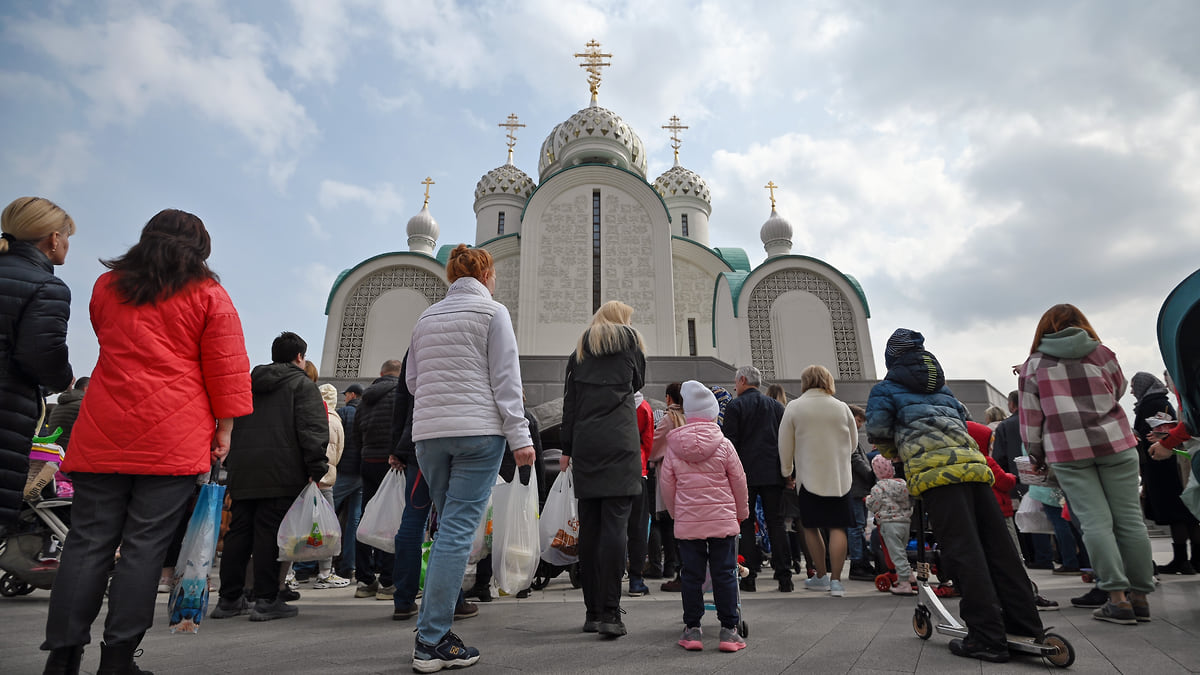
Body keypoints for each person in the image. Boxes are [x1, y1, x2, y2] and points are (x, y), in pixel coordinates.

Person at [40, 208, 251, 674]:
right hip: (171, 437)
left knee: (87, 543)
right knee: (143, 548)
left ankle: (62, 657)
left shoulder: (106, 287)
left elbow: (105, 336)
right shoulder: (210, 295)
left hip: (104, 429)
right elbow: (226, 367)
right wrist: (225, 428)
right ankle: (117, 659)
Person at [867, 328, 1043, 663]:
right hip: (976, 471)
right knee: (999, 548)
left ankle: (987, 635)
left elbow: (877, 431)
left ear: (892, 359)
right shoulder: (944, 389)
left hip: (937, 477)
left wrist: (897, 453)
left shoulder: (885, 390)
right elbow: (963, 422)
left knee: (964, 551)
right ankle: (1025, 623)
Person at [406, 244, 534, 672]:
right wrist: (520, 437)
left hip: (429, 436)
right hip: (478, 432)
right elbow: (505, 379)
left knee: (448, 532)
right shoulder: (493, 312)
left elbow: (412, 381)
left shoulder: (426, 317)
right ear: (487, 275)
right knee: (457, 533)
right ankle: (431, 640)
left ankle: (432, 628)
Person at [1019, 305, 1154, 625]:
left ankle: (1117, 599)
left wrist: (1036, 454)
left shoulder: (1034, 364)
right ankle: (1140, 596)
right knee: (1131, 520)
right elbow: (1117, 390)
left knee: (1094, 521)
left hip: (1069, 451)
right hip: (1116, 443)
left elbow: (1031, 417)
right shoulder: (1103, 353)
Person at [212, 331, 328, 623]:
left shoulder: (248, 384)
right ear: (300, 356)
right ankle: (266, 599)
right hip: (282, 471)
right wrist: (317, 468)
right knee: (268, 534)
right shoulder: (302, 385)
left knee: (239, 533)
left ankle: (229, 599)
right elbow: (312, 430)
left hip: (243, 470)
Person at [560, 300, 646, 639]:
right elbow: (638, 383)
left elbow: (570, 405)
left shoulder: (580, 351)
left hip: (587, 445)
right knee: (616, 528)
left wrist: (567, 449)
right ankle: (612, 612)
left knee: (590, 528)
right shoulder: (632, 344)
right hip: (621, 445)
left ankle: (593, 612)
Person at [0, 197, 74, 531]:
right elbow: (41, 354)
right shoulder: (47, 285)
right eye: (67, 237)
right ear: (53, 239)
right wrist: (64, 378)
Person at [660, 380, 749, 653]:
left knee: (691, 575)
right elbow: (739, 482)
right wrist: (741, 512)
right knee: (724, 573)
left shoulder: (674, 445)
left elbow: (667, 485)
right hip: (722, 520)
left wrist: (678, 515)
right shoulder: (724, 445)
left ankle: (692, 630)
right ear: (712, 413)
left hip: (688, 521)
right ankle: (728, 630)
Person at [778, 364, 858, 597]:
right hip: (839, 477)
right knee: (837, 527)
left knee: (810, 526)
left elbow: (784, 444)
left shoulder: (794, 407)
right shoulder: (842, 407)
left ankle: (821, 575)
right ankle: (836, 581)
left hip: (809, 477)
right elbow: (853, 445)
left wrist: (787, 472)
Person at [722, 365, 790, 592]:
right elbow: (786, 442)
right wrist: (789, 472)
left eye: (736, 382)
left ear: (742, 380)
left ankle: (748, 577)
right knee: (777, 523)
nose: (734, 386)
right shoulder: (776, 406)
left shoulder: (735, 406)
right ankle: (784, 577)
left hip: (745, 474)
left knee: (746, 523)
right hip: (773, 473)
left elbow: (730, 444)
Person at [1131, 372, 1198, 574]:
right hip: (1177, 463)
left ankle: (1181, 560)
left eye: (1134, 386)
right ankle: (1195, 559)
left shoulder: (1151, 404)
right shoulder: (1165, 402)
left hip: (1163, 465)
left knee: (1175, 513)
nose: (1132, 391)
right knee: (1189, 514)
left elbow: (1159, 434)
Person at [353, 359, 402, 600]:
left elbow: (356, 432)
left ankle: (364, 580)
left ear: (381, 373)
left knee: (366, 517)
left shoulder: (365, 398)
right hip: (394, 464)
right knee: (393, 518)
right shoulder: (401, 394)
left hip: (368, 461)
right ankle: (388, 581)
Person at [649, 382, 686, 591]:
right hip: (690, 479)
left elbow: (654, 448)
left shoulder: (668, 419)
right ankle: (681, 569)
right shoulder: (691, 416)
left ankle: (680, 572)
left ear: (669, 398)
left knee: (671, 524)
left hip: (671, 478)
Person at [314, 383, 351, 588]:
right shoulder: (336, 420)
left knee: (297, 525)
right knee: (328, 528)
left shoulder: (309, 414)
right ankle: (325, 572)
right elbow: (339, 452)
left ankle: (288, 572)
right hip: (327, 480)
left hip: (306, 479)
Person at [865, 454, 913, 594]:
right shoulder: (903, 484)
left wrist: (868, 499)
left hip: (889, 524)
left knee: (895, 554)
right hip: (905, 522)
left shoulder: (879, 487)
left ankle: (904, 583)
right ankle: (909, 575)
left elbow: (874, 505)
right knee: (901, 551)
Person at [332, 383, 364, 580]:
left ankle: (310, 563)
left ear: (352, 395)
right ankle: (349, 565)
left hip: (344, 472)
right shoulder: (368, 412)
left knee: (326, 513)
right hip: (362, 473)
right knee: (354, 520)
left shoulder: (343, 413)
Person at [626, 391, 654, 597]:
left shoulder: (609, 402)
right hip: (638, 470)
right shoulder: (643, 407)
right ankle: (636, 579)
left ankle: (611, 574)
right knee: (638, 528)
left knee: (613, 526)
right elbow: (648, 441)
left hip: (610, 472)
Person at [846, 404, 876, 581]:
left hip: (857, 487)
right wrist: (871, 474)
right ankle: (858, 563)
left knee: (859, 526)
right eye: (858, 421)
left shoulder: (850, 435)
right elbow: (855, 459)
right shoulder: (849, 436)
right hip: (855, 488)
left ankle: (862, 560)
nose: (860, 425)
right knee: (856, 527)